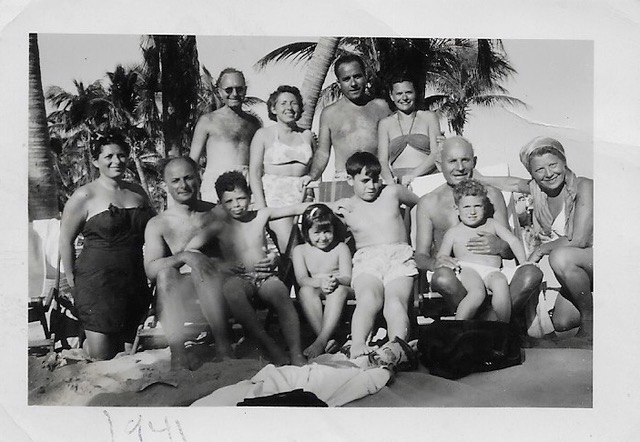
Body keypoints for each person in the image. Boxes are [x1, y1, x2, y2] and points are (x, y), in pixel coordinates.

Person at [185, 171, 332, 366]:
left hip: (265, 276)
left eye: (241, 198)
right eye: (229, 201)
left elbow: (296, 208)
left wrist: (334, 205)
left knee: (280, 293)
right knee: (232, 291)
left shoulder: (261, 216)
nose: (236, 205)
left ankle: (296, 352)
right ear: (220, 204)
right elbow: (190, 249)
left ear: (250, 196)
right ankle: (269, 344)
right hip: (238, 278)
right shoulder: (218, 226)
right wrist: (221, 265)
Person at [475, 137, 593, 341]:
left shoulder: (584, 186)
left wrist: (540, 250)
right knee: (561, 322)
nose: (548, 174)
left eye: (553, 165)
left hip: (604, 260)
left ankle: (590, 322)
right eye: (539, 170)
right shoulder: (539, 191)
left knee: (559, 257)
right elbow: (512, 183)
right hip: (584, 267)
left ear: (564, 162)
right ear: (532, 174)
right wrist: (480, 179)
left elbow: (580, 240)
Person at [414, 136, 543, 323]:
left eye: (465, 160)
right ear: (439, 165)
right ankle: (486, 323)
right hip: (458, 278)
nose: (460, 168)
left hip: (492, 275)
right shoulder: (429, 202)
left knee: (532, 274)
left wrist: (500, 246)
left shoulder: (491, 196)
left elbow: (509, 250)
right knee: (442, 277)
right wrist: (436, 263)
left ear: (474, 162)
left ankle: (489, 324)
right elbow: (420, 256)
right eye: (452, 161)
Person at [59, 130, 155, 360]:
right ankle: (83, 347)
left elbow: (155, 228)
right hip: (97, 282)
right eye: (109, 156)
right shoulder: (84, 195)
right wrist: (72, 279)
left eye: (121, 155)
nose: (116, 161)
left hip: (133, 279)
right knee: (101, 356)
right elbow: (65, 240)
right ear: (95, 161)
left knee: (131, 351)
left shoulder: (137, 192)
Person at [144, 157, 239, 370]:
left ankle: (224, 347)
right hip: (182, 291)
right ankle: (178, 354)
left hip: (220, 286)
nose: (183, 185)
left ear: (199, 177)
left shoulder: (217, 213)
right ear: (165, 185)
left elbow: (237, 254)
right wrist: (185, 257)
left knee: (201, 270)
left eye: (188, 178)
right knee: (165, 273)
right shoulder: (159, 223)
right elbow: (151, 269)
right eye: (175, 180)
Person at [333, 152, 419, 358]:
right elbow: (316, 218)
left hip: (398, 257)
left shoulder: (392, 192)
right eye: (364, 181)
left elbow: (423, 204)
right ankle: (357, 344)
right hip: (367, 260)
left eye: (375, 179)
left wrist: (414, 234)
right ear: (349, 180)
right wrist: (333, 208)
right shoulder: (346, 207)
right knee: (368, 299)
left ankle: (396, 348)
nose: (371, 186)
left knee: (395, 302)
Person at [437, 179, 529, 322]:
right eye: (466, 207)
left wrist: (524, 263)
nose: (472, 212)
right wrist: (447, 262)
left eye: (477, 206)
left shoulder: (492, 224)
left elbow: (513, 241)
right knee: (477, 292)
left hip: (492, 270)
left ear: (484, 207)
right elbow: (442, 256)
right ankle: (458, 326)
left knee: (501, 283)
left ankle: (503, 325)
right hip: (468, 269)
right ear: (457, 209)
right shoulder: (454, 232)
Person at [307, 54, 390, 200]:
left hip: (376, 178)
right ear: (339, 83)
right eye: (346, 79)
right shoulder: (329, 113)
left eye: (357, 76)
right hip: (344, 179)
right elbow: (323, 153)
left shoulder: (381, 107)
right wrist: (311, 176)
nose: (353, 84)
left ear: (365, 76)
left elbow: (395, 143)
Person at [249, 85, 315, 252]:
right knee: (290, 249)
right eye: (283, 103)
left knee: (312, 246)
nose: (289, 108)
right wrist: (262, 208)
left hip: (304, 197)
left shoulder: (307, 135)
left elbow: (314, 170)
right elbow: (254, 174)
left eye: (294, 103)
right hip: (275, 200)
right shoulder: (263, 135)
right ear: (273, 108)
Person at [189, 68, 261, 202]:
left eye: (239, 89)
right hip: (214, 187)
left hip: (246, 186)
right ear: (219, 92)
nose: (234, 94)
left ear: (245, 90)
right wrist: (194, 195)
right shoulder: (208, 120)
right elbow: (193, 162)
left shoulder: (253, 123)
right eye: (228, 90)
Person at [292, 204, 352, 358]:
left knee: (338, 291)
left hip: (339, 287)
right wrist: (320, 283)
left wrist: (335, 281)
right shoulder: (300, 251)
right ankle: (326, 339)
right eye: (317, 232)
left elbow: (347, 278)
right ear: (306, 232)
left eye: (327, 231)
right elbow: (302, 279)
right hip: (316, 286)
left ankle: (320, 341)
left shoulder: (340, 248)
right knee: (305, 291)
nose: (323, 237)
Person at [377, 75, 442, 185]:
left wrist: (413, 176)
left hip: (427, 178)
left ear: (415, 93)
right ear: (391, 96)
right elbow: (382, 161)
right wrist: (391, 183)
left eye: (408, 92)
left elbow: (436, 153)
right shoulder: (385, 124)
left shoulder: (429, 117)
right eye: (399, 94)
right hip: (398, 181)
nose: (404, 97)